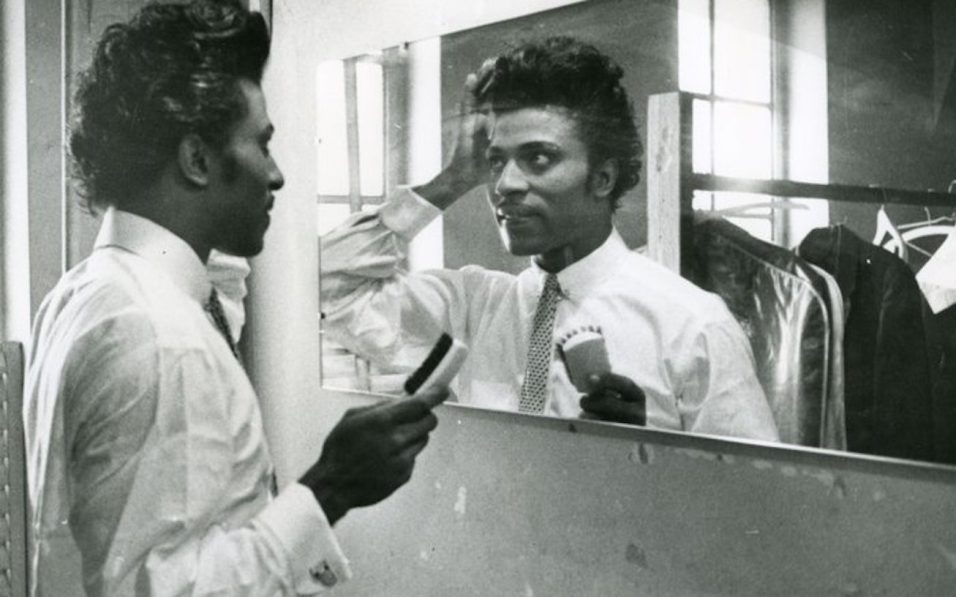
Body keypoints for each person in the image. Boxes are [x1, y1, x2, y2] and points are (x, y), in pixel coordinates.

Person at [23, 2, 446, 595]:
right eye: (262, 144)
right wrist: (330, 488)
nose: (275, 176)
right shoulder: (161, 333)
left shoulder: (86, 293)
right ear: (197, 159)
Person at [320, 37, 778, 439]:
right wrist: (454, 178)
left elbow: (751, 508)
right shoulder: (472, 307)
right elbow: (325, 288)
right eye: (497, 162)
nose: (505, 185)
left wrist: (650, 457)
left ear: (602, 178)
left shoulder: (692, 325)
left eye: (538, 158)